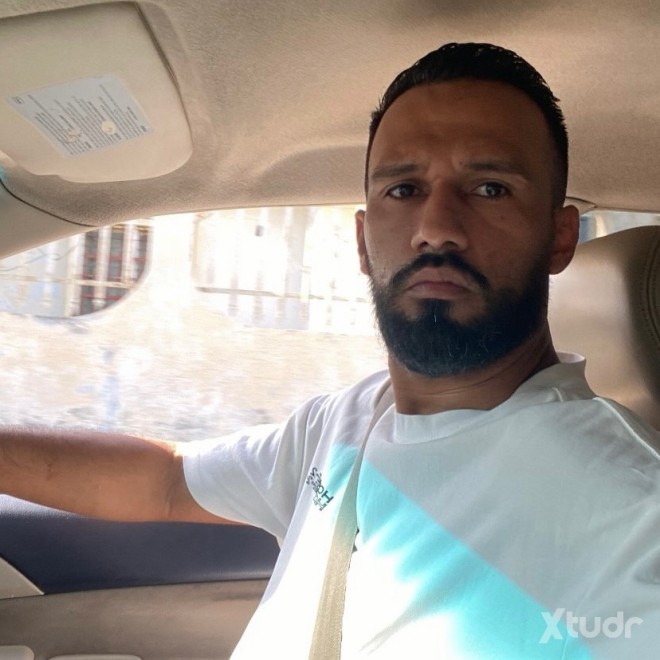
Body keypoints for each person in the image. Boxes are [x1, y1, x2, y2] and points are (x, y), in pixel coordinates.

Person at [1, 43, 659, 658]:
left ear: (559, 238)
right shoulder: (345, 421)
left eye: (490, 188)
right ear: (363, 241)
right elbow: (167, 481)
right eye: (403, 190)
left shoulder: (635, 515)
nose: (435, 228)